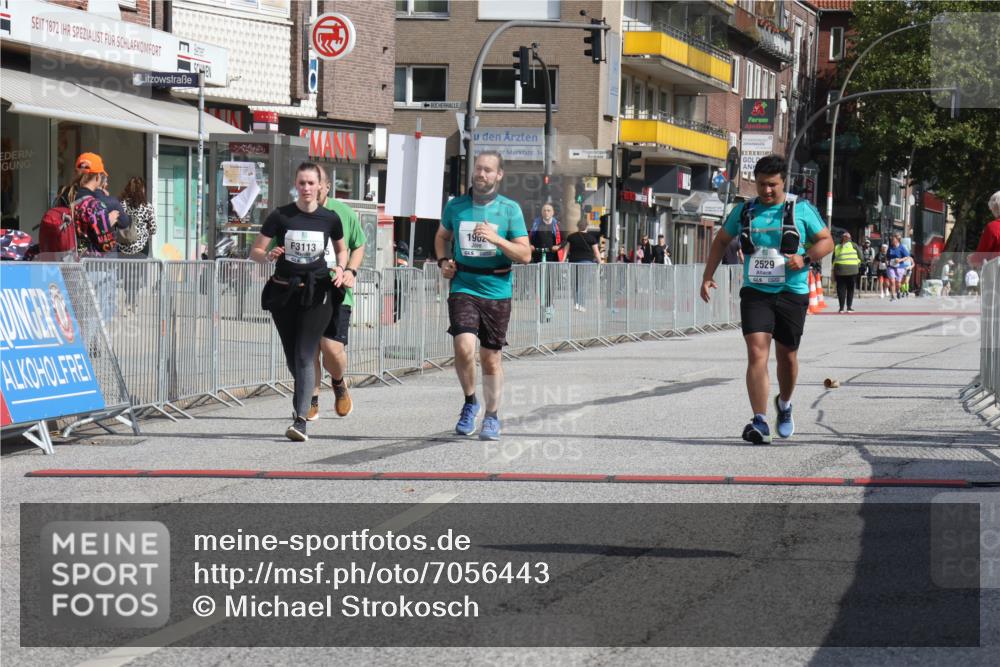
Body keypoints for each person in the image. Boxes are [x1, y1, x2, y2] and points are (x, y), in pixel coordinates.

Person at [700, 154, 833, 444]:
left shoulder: (801, 209)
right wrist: (708, 275)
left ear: (784, 182)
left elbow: (827, 241)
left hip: (792, 292)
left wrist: (805, 258)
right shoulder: (745, 210)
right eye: (761, 184)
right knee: (756, 353)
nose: (766, 190)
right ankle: (759, 420)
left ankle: (784, 404)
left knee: (787, 356)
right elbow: (721, 240)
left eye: (772, 184)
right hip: (756, 291)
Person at [434, 151, 530, 441]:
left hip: (497, 289)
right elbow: (442, 237)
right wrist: (443, 261)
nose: (481, 174)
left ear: (499, 175)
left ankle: (491, 415)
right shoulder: (456, 206)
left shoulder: (510, 209)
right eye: (478, 168)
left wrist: (497, 239)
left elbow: (525, 254)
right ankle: (469, 402)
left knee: (490, 358)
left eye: (488, 170)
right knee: (463, 346)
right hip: (464, 285)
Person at [251, 162, 347, 442]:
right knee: (294, 358)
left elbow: (342, 250)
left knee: (305, 354)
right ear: (296, 185)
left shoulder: (329, 218)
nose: (306, 188)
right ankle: (304, 399)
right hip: (285, 292)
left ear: (320, 186)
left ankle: (300, 420)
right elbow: (255, 251)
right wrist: (268, 255)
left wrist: (342, 269)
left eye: (311, 183)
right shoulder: (281, 215)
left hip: (318, 292)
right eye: (302, 183)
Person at [307, 167, 366, 422]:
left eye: (317, 182)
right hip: (305, 291)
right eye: (308, 183)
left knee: (331, 348)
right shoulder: (295, 214)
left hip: (336, 291)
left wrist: (351, 270)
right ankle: (310, 399)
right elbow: (277, 245)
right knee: (309, 350)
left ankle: (339, 381)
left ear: (327, 186)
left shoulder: (343, 213)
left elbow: (359, 245)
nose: (313, 188)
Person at [117, 176, 156, 312]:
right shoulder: (147, 207)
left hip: (124, 245)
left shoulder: (121, 205)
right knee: (137, 274)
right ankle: (132, 300)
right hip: (141, 246)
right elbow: (153, 228)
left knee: (126, 275)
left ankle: (129, 300)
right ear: (142, 190)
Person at [559, 218, 601, 311]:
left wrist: (562, 261)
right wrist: (600, 262)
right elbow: (596, 252)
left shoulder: (571, 237)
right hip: (587, 263)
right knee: (583, 284)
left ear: (578, 226)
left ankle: (576, 303)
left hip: (573, 262)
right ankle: (580, 304)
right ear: (587, 226)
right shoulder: (591, 238)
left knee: (575, 284)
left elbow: (566, 250)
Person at [832, 231, 861, 312]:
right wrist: (857, 264)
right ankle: (849, 307)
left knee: (841, 289)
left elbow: (833, 259)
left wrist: (834, 269)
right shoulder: (854, 245)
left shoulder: (837, 247)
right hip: (853, 270)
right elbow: (861, 257)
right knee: (850, 289)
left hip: (840, 270)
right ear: (850, 238)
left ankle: (841, 308)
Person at [971, 190, 1000, 267]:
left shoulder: (993, 227)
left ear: (996, 208)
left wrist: (971, 259)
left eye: (991, 209)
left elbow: (979, 257)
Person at [885, 234, 910, 301]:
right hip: (891, 266)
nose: (892, 240)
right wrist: (886, 261)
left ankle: (898, 290)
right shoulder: (890, 248)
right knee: (892, 281)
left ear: (897, 240)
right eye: (892, 239)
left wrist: (900, 260)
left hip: (900, 267)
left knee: (898, 283)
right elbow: (887, 257)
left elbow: (907, 257)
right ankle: (893, 296)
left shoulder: (902, 247)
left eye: (893, 239)